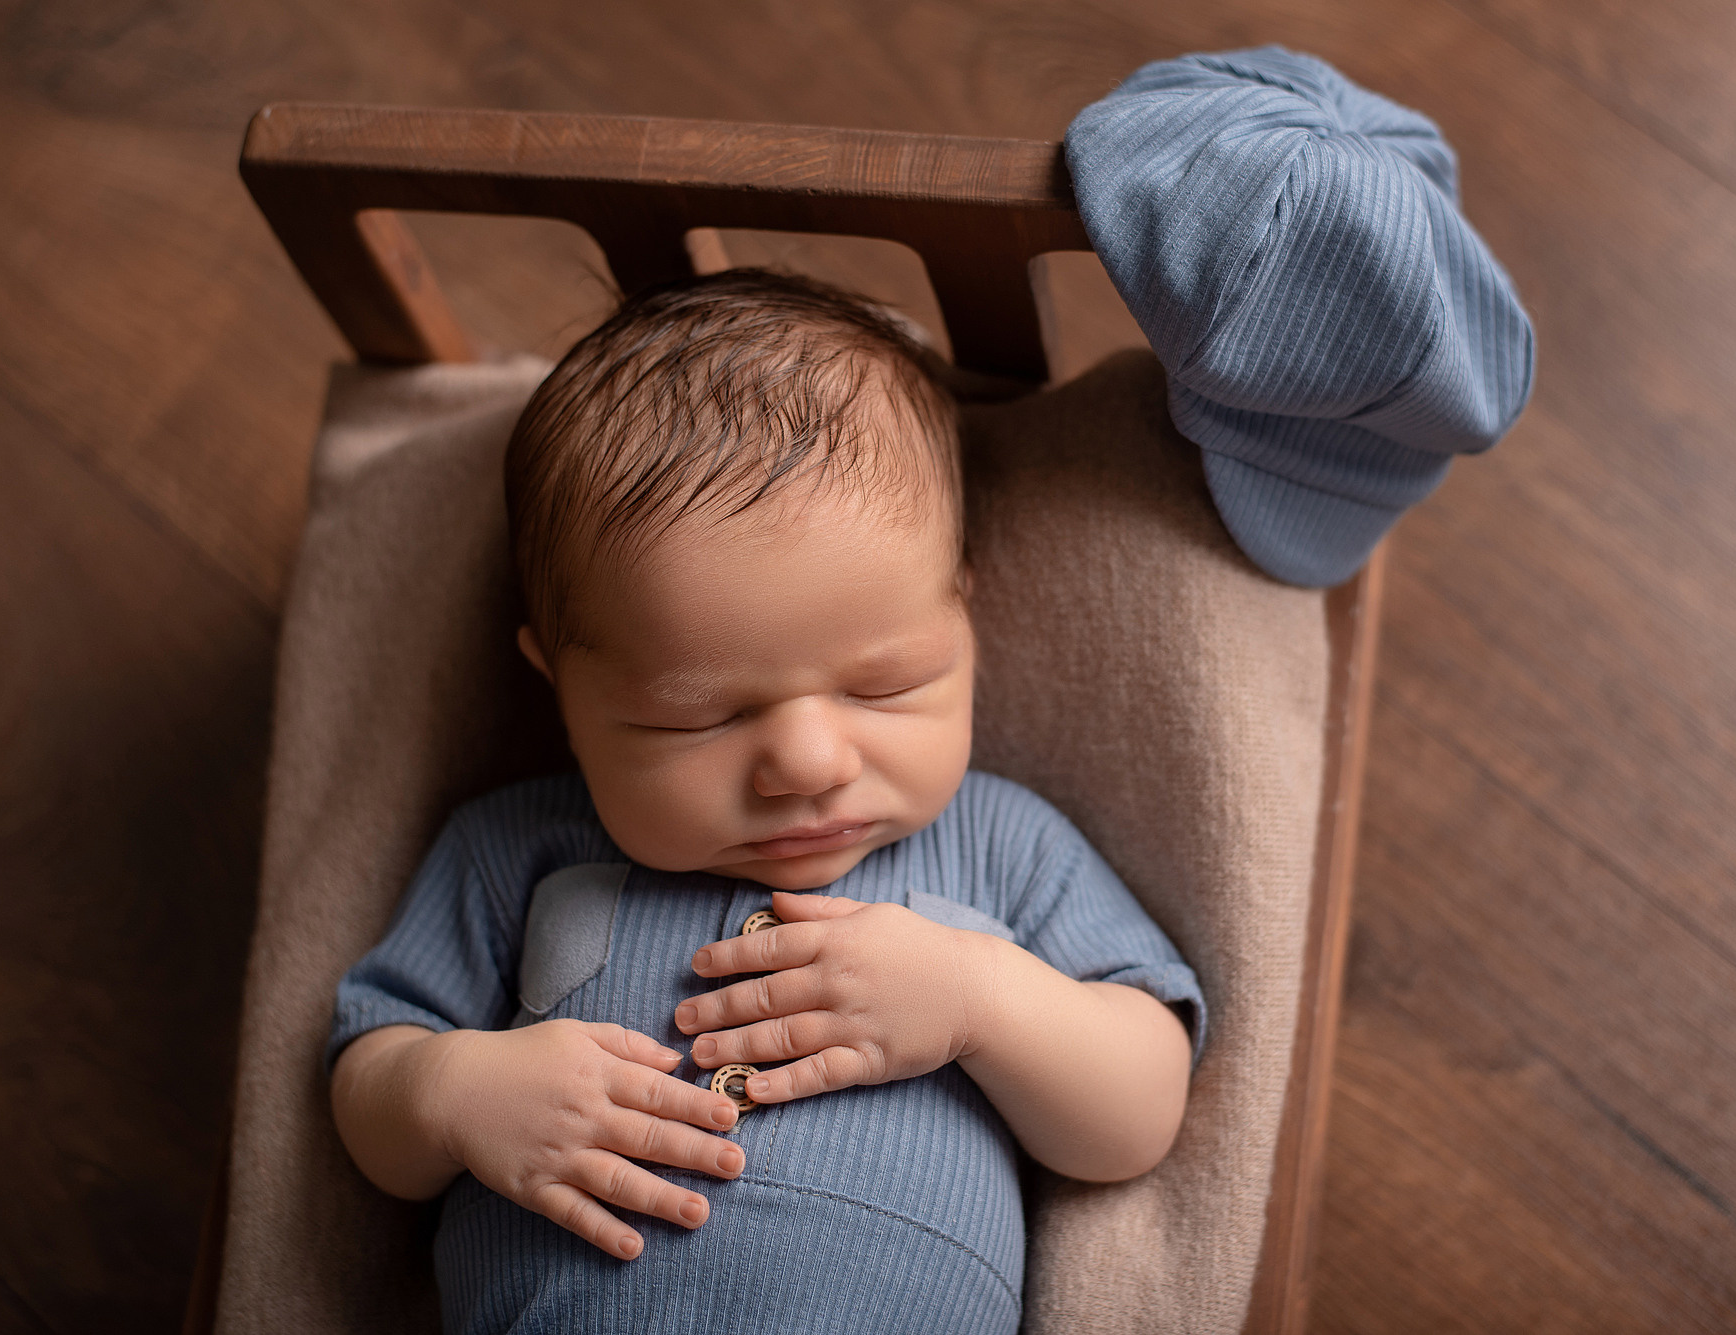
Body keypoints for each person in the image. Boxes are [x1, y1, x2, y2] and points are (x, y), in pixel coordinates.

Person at [326, 269, 1205, 1335]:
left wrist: (978, 1003)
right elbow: (368, 1080)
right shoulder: (517, 846)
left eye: (882, 685)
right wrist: (450, 1091)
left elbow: (1138, 1112)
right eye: (695, 718)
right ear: (561, 688)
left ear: (962, 619)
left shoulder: (1005, 845)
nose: (805, 762)